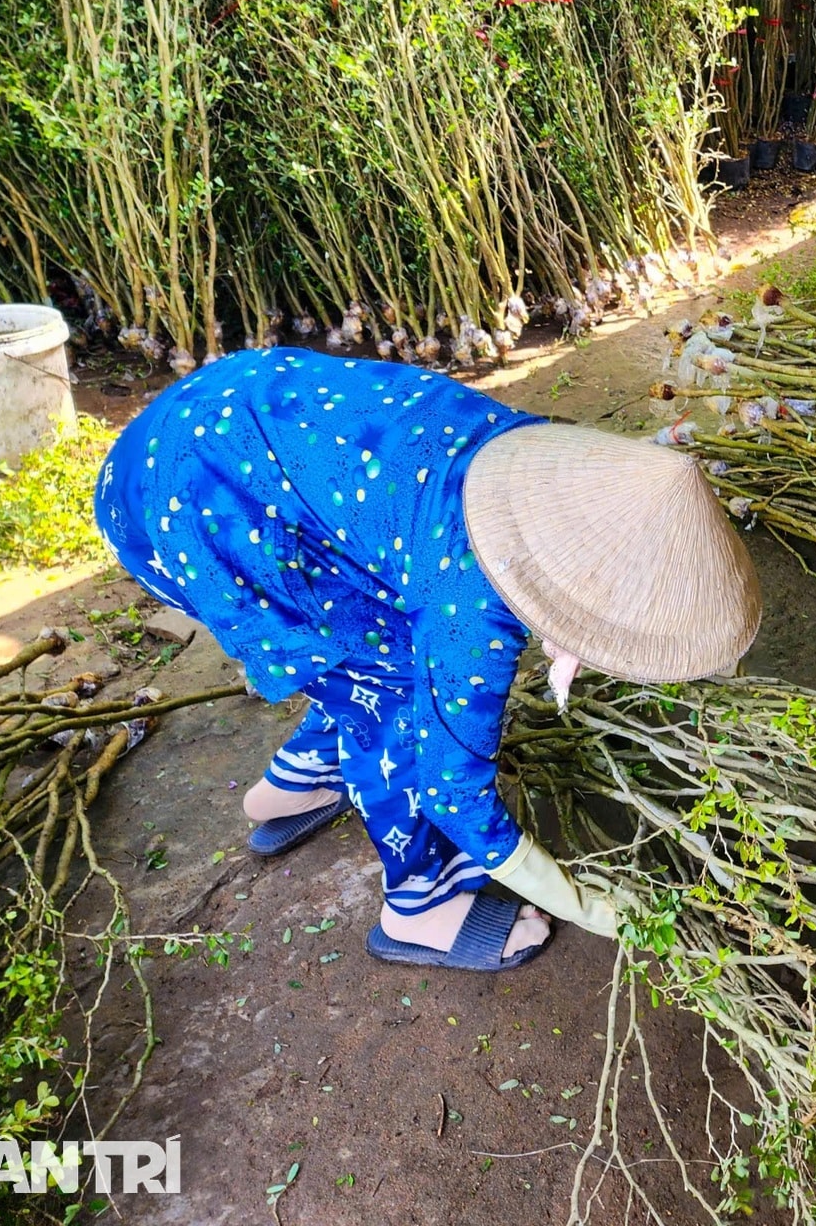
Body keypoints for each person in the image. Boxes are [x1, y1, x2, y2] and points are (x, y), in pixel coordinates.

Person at [94, 346, 760, 972]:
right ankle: (421, 906)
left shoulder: (523, 456)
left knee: (365, 644)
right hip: (184, 509)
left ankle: (298, 782)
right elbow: (455, 796)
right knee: (393, 698)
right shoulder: (474, 615)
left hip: (232, 419)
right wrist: (595, 909)